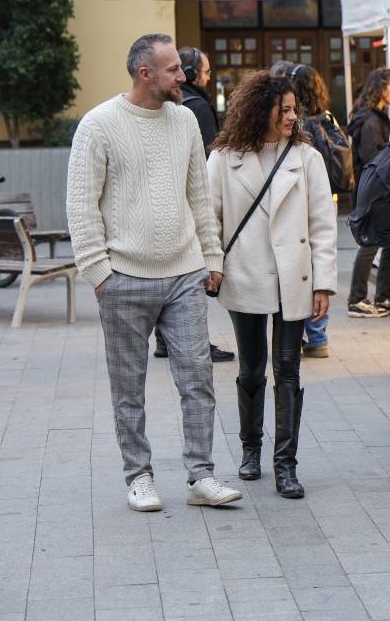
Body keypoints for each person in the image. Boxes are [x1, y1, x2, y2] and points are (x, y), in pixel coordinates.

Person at [67, 33, 241, 511]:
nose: (183, 76)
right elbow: (81, 205)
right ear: (146, 74)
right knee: (129, 386)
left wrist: (211, 258)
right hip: (123, 276)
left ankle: (200, 475)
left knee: (197, 378)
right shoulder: (99, 125)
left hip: (184, 272)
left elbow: (198, 196)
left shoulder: (185, 120)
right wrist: (99, 272)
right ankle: (139, 475)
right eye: (173, 70)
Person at [206, 71, 337, 499]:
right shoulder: (225, 158)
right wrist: (213, 264)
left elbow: (322, 225)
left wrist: (323, 283)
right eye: (284, 109)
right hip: (245, 271)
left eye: (294, 108)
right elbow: (210, 218)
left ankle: (285, 464)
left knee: (288, 368)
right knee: (250, 367)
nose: (292, 116)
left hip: (293, 274)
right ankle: (250, 451)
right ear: (260, 110)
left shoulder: (306, 157)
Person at [153, 45, 235, 363]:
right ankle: (196, 342)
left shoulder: (167, 104)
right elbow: (207, 159)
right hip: (189, 203)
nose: (208, 76)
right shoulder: (196, 107)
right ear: (191, 74)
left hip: (167, 200)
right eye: (206, 71)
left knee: (171, 274)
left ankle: (164, 339)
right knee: (193, 278)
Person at [271, 60, 348, 359]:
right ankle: (318, 335)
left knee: (303, 263)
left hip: (300, 201)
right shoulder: (328, 118)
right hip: (328, 195)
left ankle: (309, 334)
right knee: (319, 254)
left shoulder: (299, 126)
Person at [346, 67, 390, 318]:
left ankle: (383, 296)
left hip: (378, 190)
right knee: (370, 243)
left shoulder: (376, 116)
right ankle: (357, 299)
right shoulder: (371, 120)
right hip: (374, 192)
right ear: (380, 87)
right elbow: (374, 160)